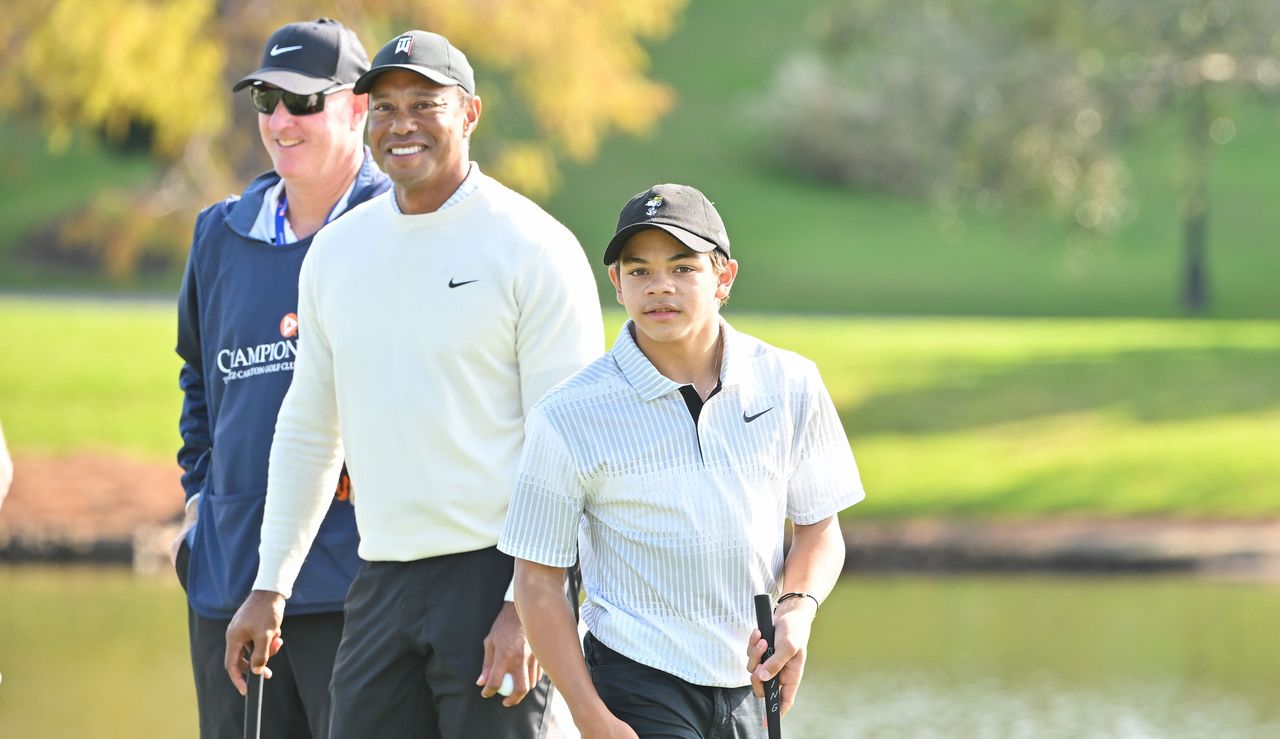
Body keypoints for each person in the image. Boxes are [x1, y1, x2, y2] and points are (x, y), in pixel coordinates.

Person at [223, 29, 603, 738]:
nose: (402, 124)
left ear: (470, 113)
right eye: (386, 106)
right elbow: (310, 426)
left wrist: (529, 603)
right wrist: (270, 582)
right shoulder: (338, 252)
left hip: (498, 574)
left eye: (425, 103)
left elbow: (570, 447)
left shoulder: (533, 246)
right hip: (381, 577)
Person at [499, 184, 865, 738]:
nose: (660, 286)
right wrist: (588, 715)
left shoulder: (790, 383)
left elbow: (820, 528)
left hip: (750, 675)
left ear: (724, 277)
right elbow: (537, 582)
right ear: (617, 284)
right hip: (635, 681)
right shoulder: (567, 414)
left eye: (682, 267)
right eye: (639, 270)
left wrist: (798, 608)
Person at [174, 18, 389, 739]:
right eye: (267, 99)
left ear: (358, 107)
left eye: (303, 102)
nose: (280, 120)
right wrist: (200, 503)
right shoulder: (218, 232)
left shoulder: (397, 227)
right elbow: (199, 383)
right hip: (228, 577)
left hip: (353, 585)